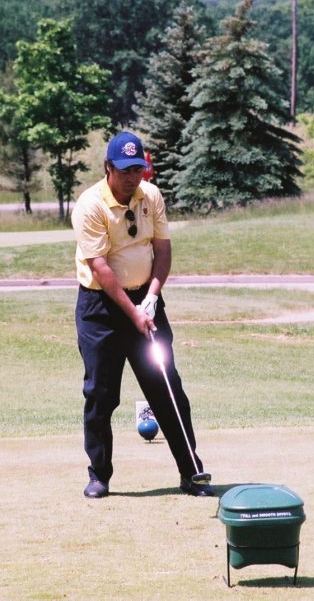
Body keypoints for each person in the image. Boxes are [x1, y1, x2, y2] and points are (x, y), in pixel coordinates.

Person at [72, 130, 214, 499]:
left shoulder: (151, 196)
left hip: (146, 303)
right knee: (100, 393)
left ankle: (192, 472)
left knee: (166, 386)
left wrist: (151, 297)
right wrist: (133, 314)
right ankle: (99, 475)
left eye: (138, 169)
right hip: (101, 310)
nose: (133, 177)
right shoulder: (90, 205)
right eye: (125, 170)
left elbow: (163, 252)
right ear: (108, 167)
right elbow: (101, 268)